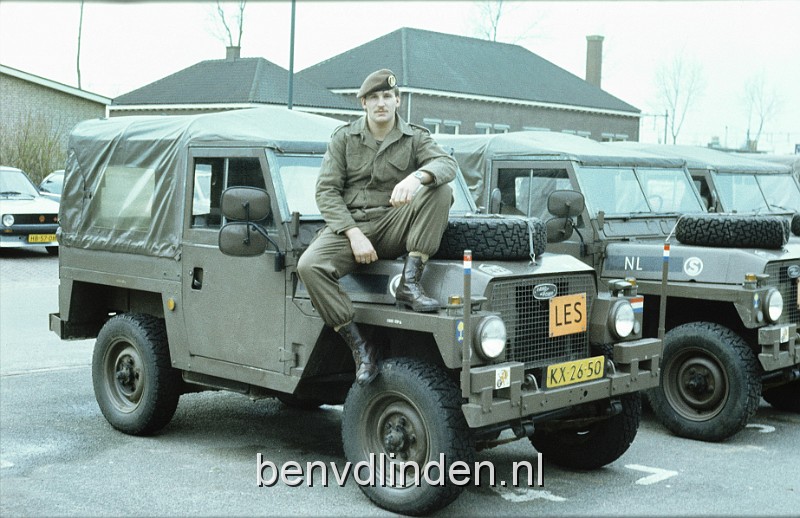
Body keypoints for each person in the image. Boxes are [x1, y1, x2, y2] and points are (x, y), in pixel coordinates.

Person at [297, 69, 457, 385]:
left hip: (393, 224)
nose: (381, 103)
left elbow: (446, 165)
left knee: (441, 190)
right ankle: (360, 345)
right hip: (351, 227)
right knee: (309, 266)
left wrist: (416, 177)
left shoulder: (415, 138)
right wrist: (353, 234)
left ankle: (411, 282)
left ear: (397, 101)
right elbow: (326, 191)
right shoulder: (344, 138)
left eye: (387, 97)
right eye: (374, 98)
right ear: (363, 103)